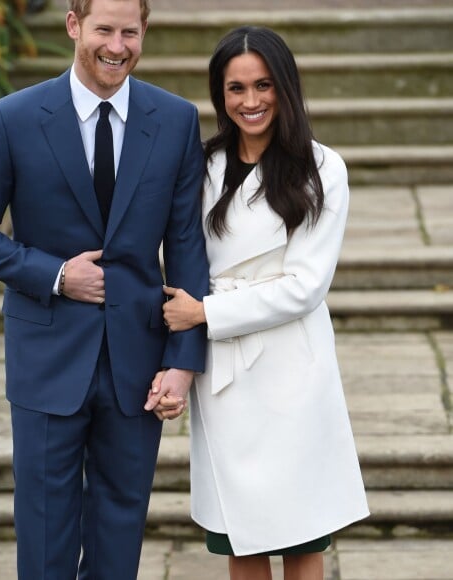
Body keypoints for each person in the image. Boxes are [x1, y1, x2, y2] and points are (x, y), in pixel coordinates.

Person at [0, 0, 209, 578]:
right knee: (43, 536)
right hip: (45, 359)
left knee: (120, 533)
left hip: (137, 366)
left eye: (130, 32)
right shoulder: (13, 117)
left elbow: (187, 246)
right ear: (73, 26)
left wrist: (183, 362)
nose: (117, 46)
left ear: (145, 33)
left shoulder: (176, 119)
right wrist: (57, 275)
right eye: (103, 30)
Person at [150, 26, 370, 580]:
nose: (250, 102)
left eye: (264, 85)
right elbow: (178, 250)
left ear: (285, 87)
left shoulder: (323, 169)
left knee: (301, 535)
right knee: (239, 537)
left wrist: (206, 313)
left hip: (290, 371)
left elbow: (305, 286)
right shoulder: (200, 167)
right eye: (235, 88)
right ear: (219, 95)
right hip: (225, 376)